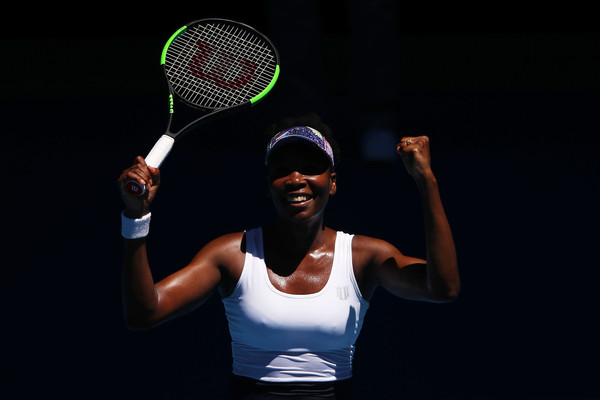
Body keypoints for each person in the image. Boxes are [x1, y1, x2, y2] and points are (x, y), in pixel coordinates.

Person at [117, 113, 459, 399]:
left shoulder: (363, 257)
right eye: (283, 169)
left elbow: (442, 288)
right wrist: (135, 218)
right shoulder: (231, 254)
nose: (296, 179)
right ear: (268, 185)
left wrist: (425, 179)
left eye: (310, 167)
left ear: (333, 182)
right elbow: (145, 313)